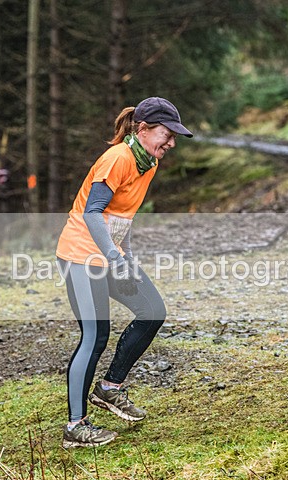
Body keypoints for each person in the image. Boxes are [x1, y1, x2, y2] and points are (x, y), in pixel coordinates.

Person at [55, 97, 193, 448]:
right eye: (167, 134)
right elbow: (92, 213)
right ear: (143, 129)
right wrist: (116, 258)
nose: (172, 143)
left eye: (175, 136)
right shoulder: (117, 158)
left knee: (152, 312)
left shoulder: (148, 163)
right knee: (95, 336)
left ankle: (110, 387)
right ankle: (76, 426)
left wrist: (125, 257)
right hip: (81, 256)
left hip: (110, 256)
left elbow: (122, 216)